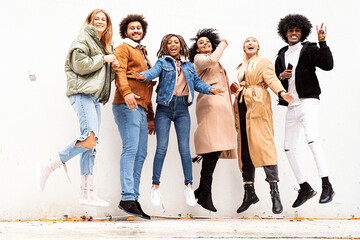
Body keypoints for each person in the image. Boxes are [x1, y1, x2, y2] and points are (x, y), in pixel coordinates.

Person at [36, 9, 119, 207]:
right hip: (81, 94)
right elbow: (80, 65)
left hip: (94, 97)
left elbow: (100, 77)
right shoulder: (82, 39)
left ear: (107, 24)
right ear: (89, 21)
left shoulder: (105, 45)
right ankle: (51, 164)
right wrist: (105, 59)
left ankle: (87, 193)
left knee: (91, 144)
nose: (100, 22)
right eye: (96, 19)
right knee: (88, 137)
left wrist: (113, 69)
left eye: (103, 20)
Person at [131, 33, 224, 208]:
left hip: (182, 109)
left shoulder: (189, 66)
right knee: (161, 148)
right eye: (169, 43)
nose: (173, 44)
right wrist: (141, 75)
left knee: (184, 150)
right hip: (164, 108)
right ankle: (155, 186)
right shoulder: (162, 62)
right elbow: (152, 73)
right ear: (165, 47)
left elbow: (197, 83)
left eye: (176, 42)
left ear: (181, 45)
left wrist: (211, 89)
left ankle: (188, 187)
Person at [275, 14, 335, 208]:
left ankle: (327, 185)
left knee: (312, 139)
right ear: (285, 33)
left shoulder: (309, 49)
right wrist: (281, 75)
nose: (294, 33)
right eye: (290, 30)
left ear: (302, 32)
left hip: (308, 101)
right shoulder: (282, 54)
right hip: (291, 105)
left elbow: (327, 65)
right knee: (288, 147)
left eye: (297, 30)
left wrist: (323, 41)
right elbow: (278, 82)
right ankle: (305, 187)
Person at [233, 37, 294, 214]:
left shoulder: (264, 61)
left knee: (264, 146)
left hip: (258, 104)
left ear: (258, 46)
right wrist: (236, 90)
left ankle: (275, 194)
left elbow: (272, 79)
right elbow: (244, 84)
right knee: (244, 149)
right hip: (242, 105)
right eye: (246, 41)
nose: (250, 43)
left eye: (253, 41)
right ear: (244, 47)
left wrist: (282, 92)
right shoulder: (241, 66)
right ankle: (249, 193)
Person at [188, 28, 236, 212]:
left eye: (208, 41)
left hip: (219, 102)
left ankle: (203, 191)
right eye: (201, 42)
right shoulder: (200, 59)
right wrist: (222, 44)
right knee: (213, 145)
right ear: (197, 48)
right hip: (211, 103)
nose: (205, 43)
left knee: (214, 147)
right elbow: (211, 60)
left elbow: (215, 78)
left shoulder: (212, 60)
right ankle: (204, 191)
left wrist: (231, 87)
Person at [112, 14, 155, 220]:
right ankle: (127, 197)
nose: (136, 31)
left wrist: (150, 115)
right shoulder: (123, 48)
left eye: (139, 28)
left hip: (141, 107)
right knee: (130, 150)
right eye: (132, 28)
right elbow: (119, 71)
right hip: (126, 104)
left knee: (141, 153)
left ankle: (133, 199)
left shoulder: (143, 52)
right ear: (126, 31)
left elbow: (148, 86)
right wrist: (127, 91)